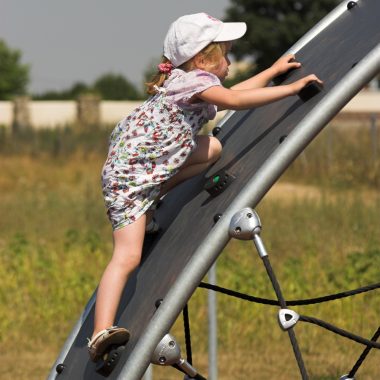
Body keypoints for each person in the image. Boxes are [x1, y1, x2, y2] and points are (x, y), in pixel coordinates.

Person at [87, 12, 322, 361]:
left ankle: (152, 201)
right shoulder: (193, 81)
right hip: (129, 180)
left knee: (211, 149)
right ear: (201, 60)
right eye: (224, 55)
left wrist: (272, 72)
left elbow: (231, 94)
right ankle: (100, 333)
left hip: (147, 165)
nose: (229, 63)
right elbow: (236, 101)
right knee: (128, 255)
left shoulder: (187, 80)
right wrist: (291, 89)